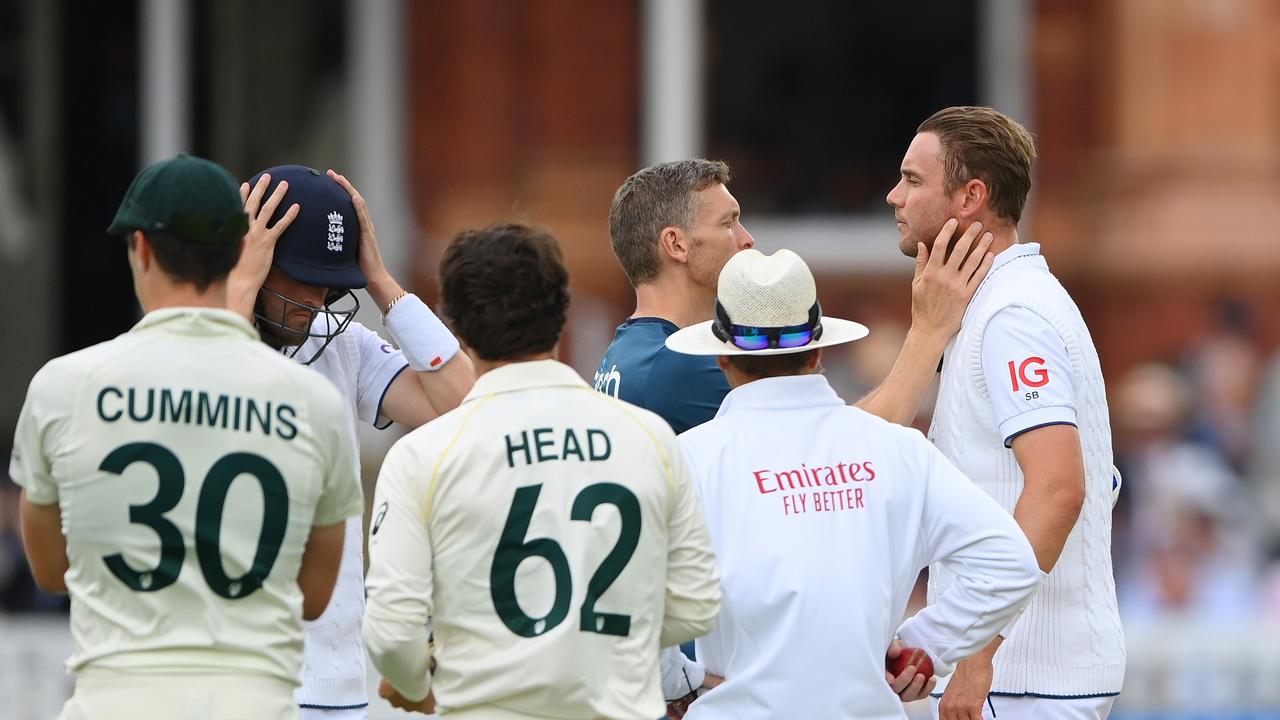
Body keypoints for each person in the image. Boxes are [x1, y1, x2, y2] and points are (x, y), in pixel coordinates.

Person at [597, 159, 994, 708]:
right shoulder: (680, 367)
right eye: (728, 222)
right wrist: (929, 331)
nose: (747, 238)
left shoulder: (628, 353)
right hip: (720, 679)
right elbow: (837, 447)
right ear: (677, 244)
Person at [11, 154, 363, 719]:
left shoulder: (63, 386)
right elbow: (316, 597)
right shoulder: (313, 402)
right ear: (240, 254)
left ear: (142, 249)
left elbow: (52, 573)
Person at [363, 222, 721, 719]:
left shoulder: (423, 455)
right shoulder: (648, 437)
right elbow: (695, 605)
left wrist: (414, 684)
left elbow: (390, 633)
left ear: (459, 328)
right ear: (561, 315)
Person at [664, 248, 1042, 719]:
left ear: (722, 357)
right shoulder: (898, 450)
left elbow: (636, 594)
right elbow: (1011, 563)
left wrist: (676, 682)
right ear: (818, 351)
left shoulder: (689, 460)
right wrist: (926, 646)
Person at [886, 106, 1126, 719]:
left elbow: (1059, 489)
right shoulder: (997, 304)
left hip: (1024, 683)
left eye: (914, 180)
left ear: (971, 196)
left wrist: (975, 653)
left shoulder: (1012, 316)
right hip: (1024, 678)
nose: (895, 196)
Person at [227, 164, 476, 719]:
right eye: (301, 278)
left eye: (330, 284)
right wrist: (238, 284)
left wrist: (383, 283)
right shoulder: (195, 350)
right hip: (230, 678)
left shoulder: (341, 346)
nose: (317, 302)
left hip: (331, 681)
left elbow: (463, 404)